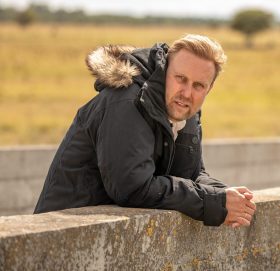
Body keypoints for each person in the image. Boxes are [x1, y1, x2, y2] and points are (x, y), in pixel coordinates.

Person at [34, 34, 256, 228]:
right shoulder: (126, 101)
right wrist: (213, 202)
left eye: (199, 86)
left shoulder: (184, 110)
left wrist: (228, 196)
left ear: (210, 88)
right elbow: (132, 188)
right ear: (165, 70)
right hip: (64, 235)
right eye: (181, 79)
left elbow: (191, 174)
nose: (187, 93)